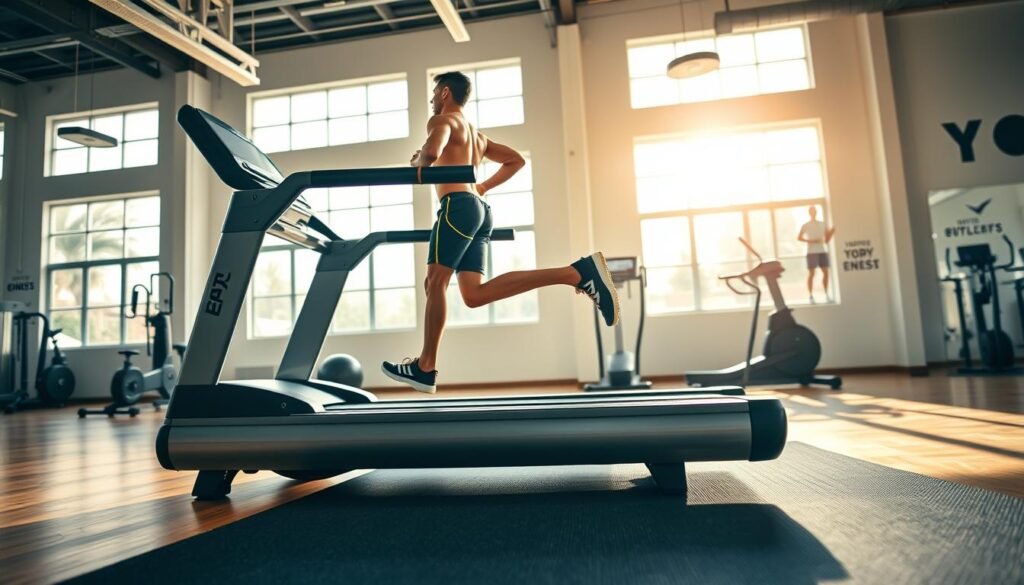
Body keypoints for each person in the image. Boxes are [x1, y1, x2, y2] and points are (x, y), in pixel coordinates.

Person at [382, 71, 619, 393]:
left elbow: (431, 154)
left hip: (457, 208)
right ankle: (574, 273)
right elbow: (515, 160)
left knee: (434, 281)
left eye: (434, 92)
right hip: (479, 210)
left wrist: (419, 160)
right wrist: (482, 187)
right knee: (473, 295)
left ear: (445, 93)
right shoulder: (477, 137)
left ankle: (425, 367)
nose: (432, 98)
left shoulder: (440, 123)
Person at [797, 206, 835, 303]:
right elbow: (799, 237)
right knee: (811, 274)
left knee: (825, 272)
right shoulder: (806, 225)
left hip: (821, 250)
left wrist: (831, 232)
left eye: (815, 211)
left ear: (816, 212)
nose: (813, 213)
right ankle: (810, 296)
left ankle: (826, 294)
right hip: (811, 252)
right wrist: (812, 241)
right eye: (812, 211)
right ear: (809, 213)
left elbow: (826, 240)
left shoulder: (822, 224)